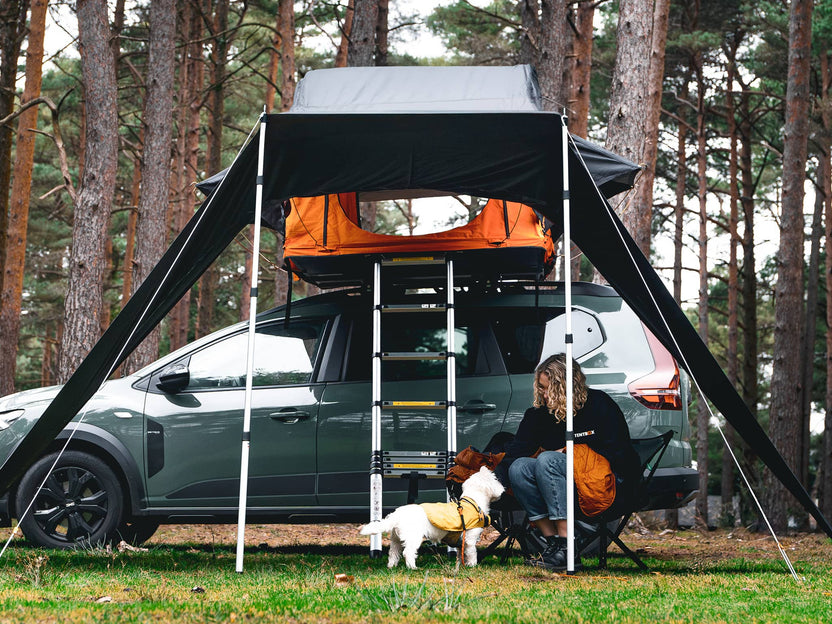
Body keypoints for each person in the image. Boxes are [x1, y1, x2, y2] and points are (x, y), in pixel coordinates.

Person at [498, 353, 639, 572]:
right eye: (541, 388)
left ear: (566, 386)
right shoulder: (538, 415)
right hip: (557, 488)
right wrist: (485, 484)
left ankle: (567, 545)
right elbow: (515, 453)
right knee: (520, 467)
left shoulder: (599, 404)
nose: (544, 394)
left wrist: (570, 453)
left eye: (549, 389)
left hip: (606, 485)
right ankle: (555, 544)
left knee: (548, 459)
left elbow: (620, 453)